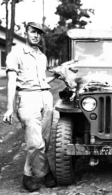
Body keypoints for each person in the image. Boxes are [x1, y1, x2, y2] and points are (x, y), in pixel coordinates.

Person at [2, 22, 58, 192]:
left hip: (45, 97)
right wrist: (10, 108)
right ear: (26, 32)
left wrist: (55, 76)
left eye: (39, 33)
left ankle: (30, 174)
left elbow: (40, 81)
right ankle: (41, 173)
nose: (36, 36)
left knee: (44, 141)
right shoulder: (16, 53)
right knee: (35, 142)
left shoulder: (42, 56)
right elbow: (12, 82)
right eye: (33, 32)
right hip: (27, 98)